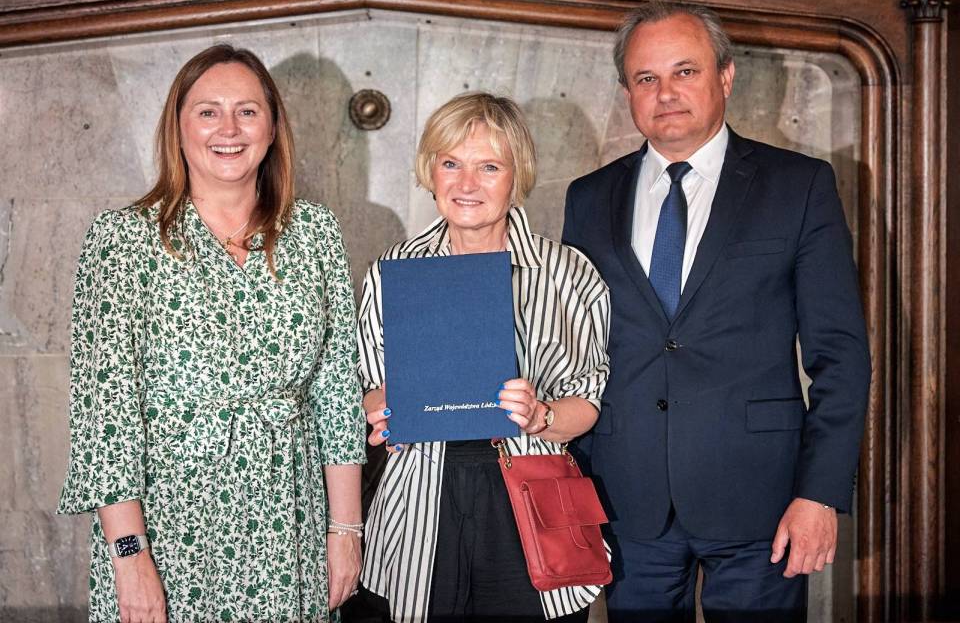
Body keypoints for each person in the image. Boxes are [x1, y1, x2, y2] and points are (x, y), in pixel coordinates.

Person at [562, 1, 871, 622]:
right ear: (627, 92)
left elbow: (840, 355)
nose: (666, 93)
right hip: (626, 500)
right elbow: (571, 346)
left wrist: (819, 493)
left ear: (725, 77)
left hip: (762, 501)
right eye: (646, 78)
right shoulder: (588, 198)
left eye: (685, 71)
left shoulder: (799, 186)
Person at [58, 44, 366, 623]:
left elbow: (337, 395)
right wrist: (130, 557)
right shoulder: (123, 241)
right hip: (169, 532)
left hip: (290, 524)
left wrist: (345, 531)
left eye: (247, 111)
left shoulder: (315, 232)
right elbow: (105, 417)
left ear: (272, 128)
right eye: (208, 112)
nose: (229, 129)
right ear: (178, 127)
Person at [356, 92, 611, 623]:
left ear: (517, 176)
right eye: (451, 163)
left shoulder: (569, 274)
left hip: (533, 498)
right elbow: (369, 393)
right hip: (419, 498)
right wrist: (383, 408)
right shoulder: (392, 272)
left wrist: (541, 415)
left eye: (489, 166)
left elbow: (587, 404)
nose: (466, 184)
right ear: (431, 171)